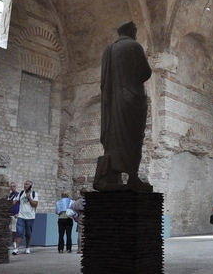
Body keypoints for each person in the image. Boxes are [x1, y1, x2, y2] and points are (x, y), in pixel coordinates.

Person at [93, 21, 153, 192]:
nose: (136, 33)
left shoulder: (108, 50)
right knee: (133, 137)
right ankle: (132, 177)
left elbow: (105, 81)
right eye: (135, 31)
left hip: (113, 103)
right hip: (131, 100)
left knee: (115, 138)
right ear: (131, 31)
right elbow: (145, 72)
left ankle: (112, 173)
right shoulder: (134, 46)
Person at [12, 180, 39, 255]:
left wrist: (29, 198)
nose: (25, 186)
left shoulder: (34, 194)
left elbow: (35, 205)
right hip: (21, 216)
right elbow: (14, 202)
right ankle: (16, 249)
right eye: (24, 184)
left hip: (30, 217)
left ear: (30, 186)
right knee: (19, 232)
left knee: (28, 234)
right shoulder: (21, 193)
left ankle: (27, 247)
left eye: (26, 184)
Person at [70, 188, 87, 254]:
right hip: (88, 216)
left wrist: (78, 212)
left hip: (80, 215)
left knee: (80, 233)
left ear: (80, 193)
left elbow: (72, 207)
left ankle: (79, 249)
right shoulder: (89, 200)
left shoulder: (78, 201)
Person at [7, 182, 19, 251]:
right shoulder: (9, 195)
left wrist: (18, 213)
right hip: (8, 214)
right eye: (11, 186)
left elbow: (21, 205)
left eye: (14, 186)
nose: (12, 187)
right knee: (8, 229)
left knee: (14, 230)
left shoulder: (18, 195)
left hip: (15, 215)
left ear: (15, 187)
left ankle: (14, 242)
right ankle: (8, 243)